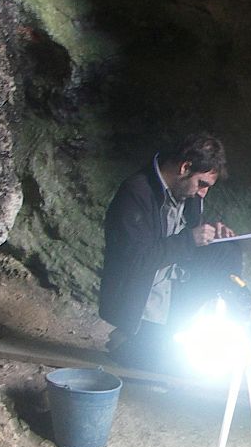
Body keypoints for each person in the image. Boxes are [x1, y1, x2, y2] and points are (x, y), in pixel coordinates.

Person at [99, 132, 236, 370]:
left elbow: (186, 242)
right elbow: (136, 260)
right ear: (185, 167)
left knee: (227, 251)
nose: (203, 192)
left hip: (173, 289)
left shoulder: (187, 194)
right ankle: (130, 339)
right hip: (143, 301)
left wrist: (212, 235)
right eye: (202, 184)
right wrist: (190, 239)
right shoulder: (136, 193)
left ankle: (209, 329)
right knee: (181, 367)